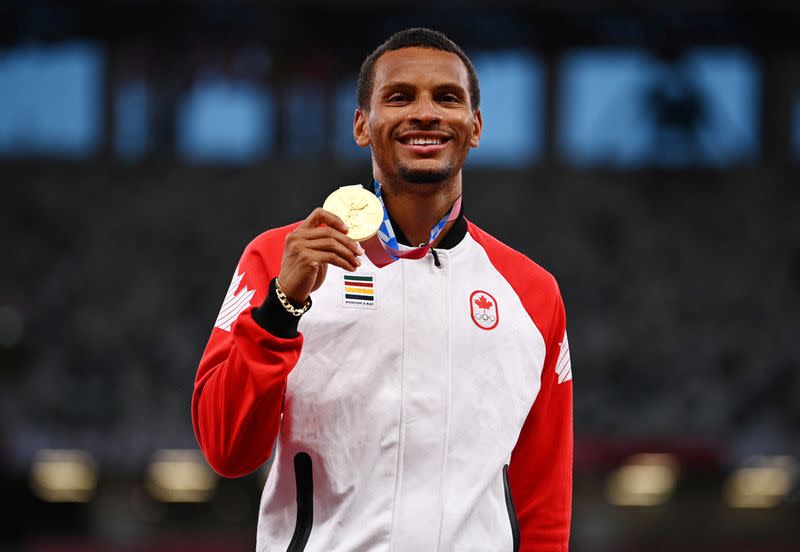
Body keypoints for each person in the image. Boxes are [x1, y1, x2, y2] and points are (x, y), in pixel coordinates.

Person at [192, 27, 573, 552]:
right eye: (399, 97)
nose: (425, 113)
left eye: (447, 98)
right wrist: (282, 306)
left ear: (475, 126)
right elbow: (226, 450)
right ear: (361, 125)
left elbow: (543, 502)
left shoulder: (533, 294)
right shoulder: (280, 257)